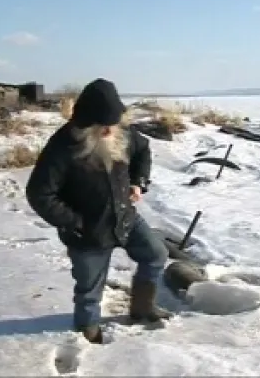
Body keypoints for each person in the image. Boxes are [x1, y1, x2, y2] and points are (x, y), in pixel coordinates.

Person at [25, 78, 172, 344]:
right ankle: (87, 328)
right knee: (90, 288)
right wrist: (74, 221)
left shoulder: (121, 134)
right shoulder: (62, 147)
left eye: (112, 125)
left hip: (125, 218)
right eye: (102, 126)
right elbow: (39, 193)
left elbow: (143, 151)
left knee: (155, 254)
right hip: (87, 232)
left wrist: (138, 182)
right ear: (85, 122)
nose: (109, 131)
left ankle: (142, 307)